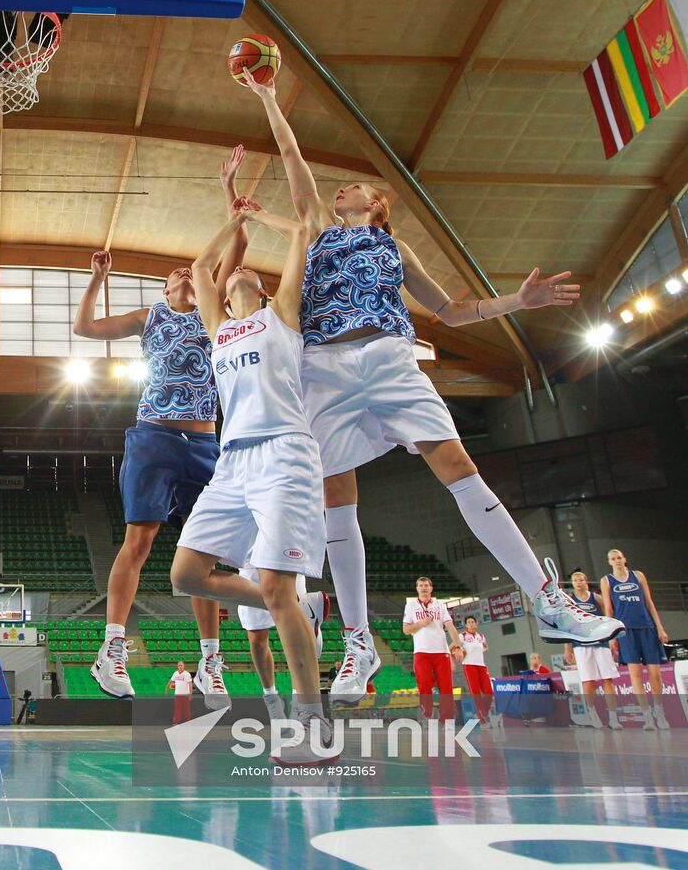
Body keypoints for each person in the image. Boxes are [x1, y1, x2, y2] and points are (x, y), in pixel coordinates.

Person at [241, 66, 625, 701]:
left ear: (376, 202)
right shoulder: (312, 231)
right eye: (335, 188)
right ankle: (358, 644)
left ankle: (549, 601)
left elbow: (452, 312)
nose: (340, 191)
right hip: (326, 369)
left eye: (352, 186)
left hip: (393, 360)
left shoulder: (396, 249)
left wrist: (517, 303)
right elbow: (290, 154)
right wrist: (266, 97)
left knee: (458, 466)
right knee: (338, 496)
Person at [74, 147, 249, 703]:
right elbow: (85, 328)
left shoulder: (213, 311)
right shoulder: (149, 317)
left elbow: (237, 246)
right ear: (165, 290)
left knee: (205, 550)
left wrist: (230, 191)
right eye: (171, 274)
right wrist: (97, 278)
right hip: (153, 434)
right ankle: (112, 650)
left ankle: (211, 660)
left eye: (187, 272)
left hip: (204, 441)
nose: (179, 273)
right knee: (140, 539)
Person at [169, 200, 335, 764]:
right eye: (233, 269)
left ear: (262, 289)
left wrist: (264, 217)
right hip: (232, 462)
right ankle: (286, 600)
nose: (236, 271)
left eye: (246, 270)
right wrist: (234, 220)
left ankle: (313, 723)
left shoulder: (281, 316)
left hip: (284, 454)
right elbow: (197, 271)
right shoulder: (220, 328)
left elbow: (304, 235)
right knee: (186, 575)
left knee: (276, 590)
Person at [237, 564, 328, 724]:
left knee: (295, 633)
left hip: (286, 559)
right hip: (252, 564)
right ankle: (271, 697)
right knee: (257, 641)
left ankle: (298, 699)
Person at [600, 549, 669, 731]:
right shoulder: (607, 581)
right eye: (613, 559)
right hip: (625, 631)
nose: (617, 561)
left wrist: (659, 627)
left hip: (646, 627)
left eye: (619, 557)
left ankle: (659, 712)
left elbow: (649, 602)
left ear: (625, 559)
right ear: (609, 562)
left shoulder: (638, 576)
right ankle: (647, 716)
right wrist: (612, 636)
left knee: (655, 674)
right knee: (635, 675)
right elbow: (609, 609)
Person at [564, 571, 621, 730]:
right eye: (575, 580)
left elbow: (608, 618)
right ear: (573, 583)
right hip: (581, 644)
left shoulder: (596, 598)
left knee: (607, 679)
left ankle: (613, 718)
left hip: (600, 642)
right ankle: (591, 713)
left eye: (581, 579)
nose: (578, 582)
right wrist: (567, 647)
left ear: (586, 581)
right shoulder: (570, 601)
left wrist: (612, 641)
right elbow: (566, 625)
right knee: (588, 680)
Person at [403, 577, 461, 721]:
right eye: (421, 586)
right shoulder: (411, 606)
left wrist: (458, 646)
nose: (424, 588)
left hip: (441, 651)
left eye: (426, 585)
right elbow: (406, 630)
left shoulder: (440, 605)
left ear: (431, 588)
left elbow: (450, 626)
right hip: (422, 651)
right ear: (417, 589)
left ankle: (446, 718)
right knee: (424, 684)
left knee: (446, 686)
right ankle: (427, 713)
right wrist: (421, 623)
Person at [458, 614, 496, 726]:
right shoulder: (462, 636)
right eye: (468, 622)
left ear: (476, 624)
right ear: (466, 625)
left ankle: (482, 713)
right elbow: (452, 647)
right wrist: (459, 651)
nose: (471, 623)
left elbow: (486, 646)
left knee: (489, 692)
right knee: (476, 693)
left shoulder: (481, 636)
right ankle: (483, 719)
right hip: (469, 665)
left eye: (473, 622)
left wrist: (479, 652)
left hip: (481, 665)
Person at [165, 659, 192, 724]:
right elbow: (170, 681)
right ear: (177, 666)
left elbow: (190, 684)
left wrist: (190, 694)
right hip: (177, 694)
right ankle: (176, 721)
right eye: (179, 665)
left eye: (181, 665)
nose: (180, 666)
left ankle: (187, 721)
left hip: (185, 694)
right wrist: (166, 689)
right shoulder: (175, 673)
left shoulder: (187, 674)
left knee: (186, 709)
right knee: (177, 709)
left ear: (184, 666)